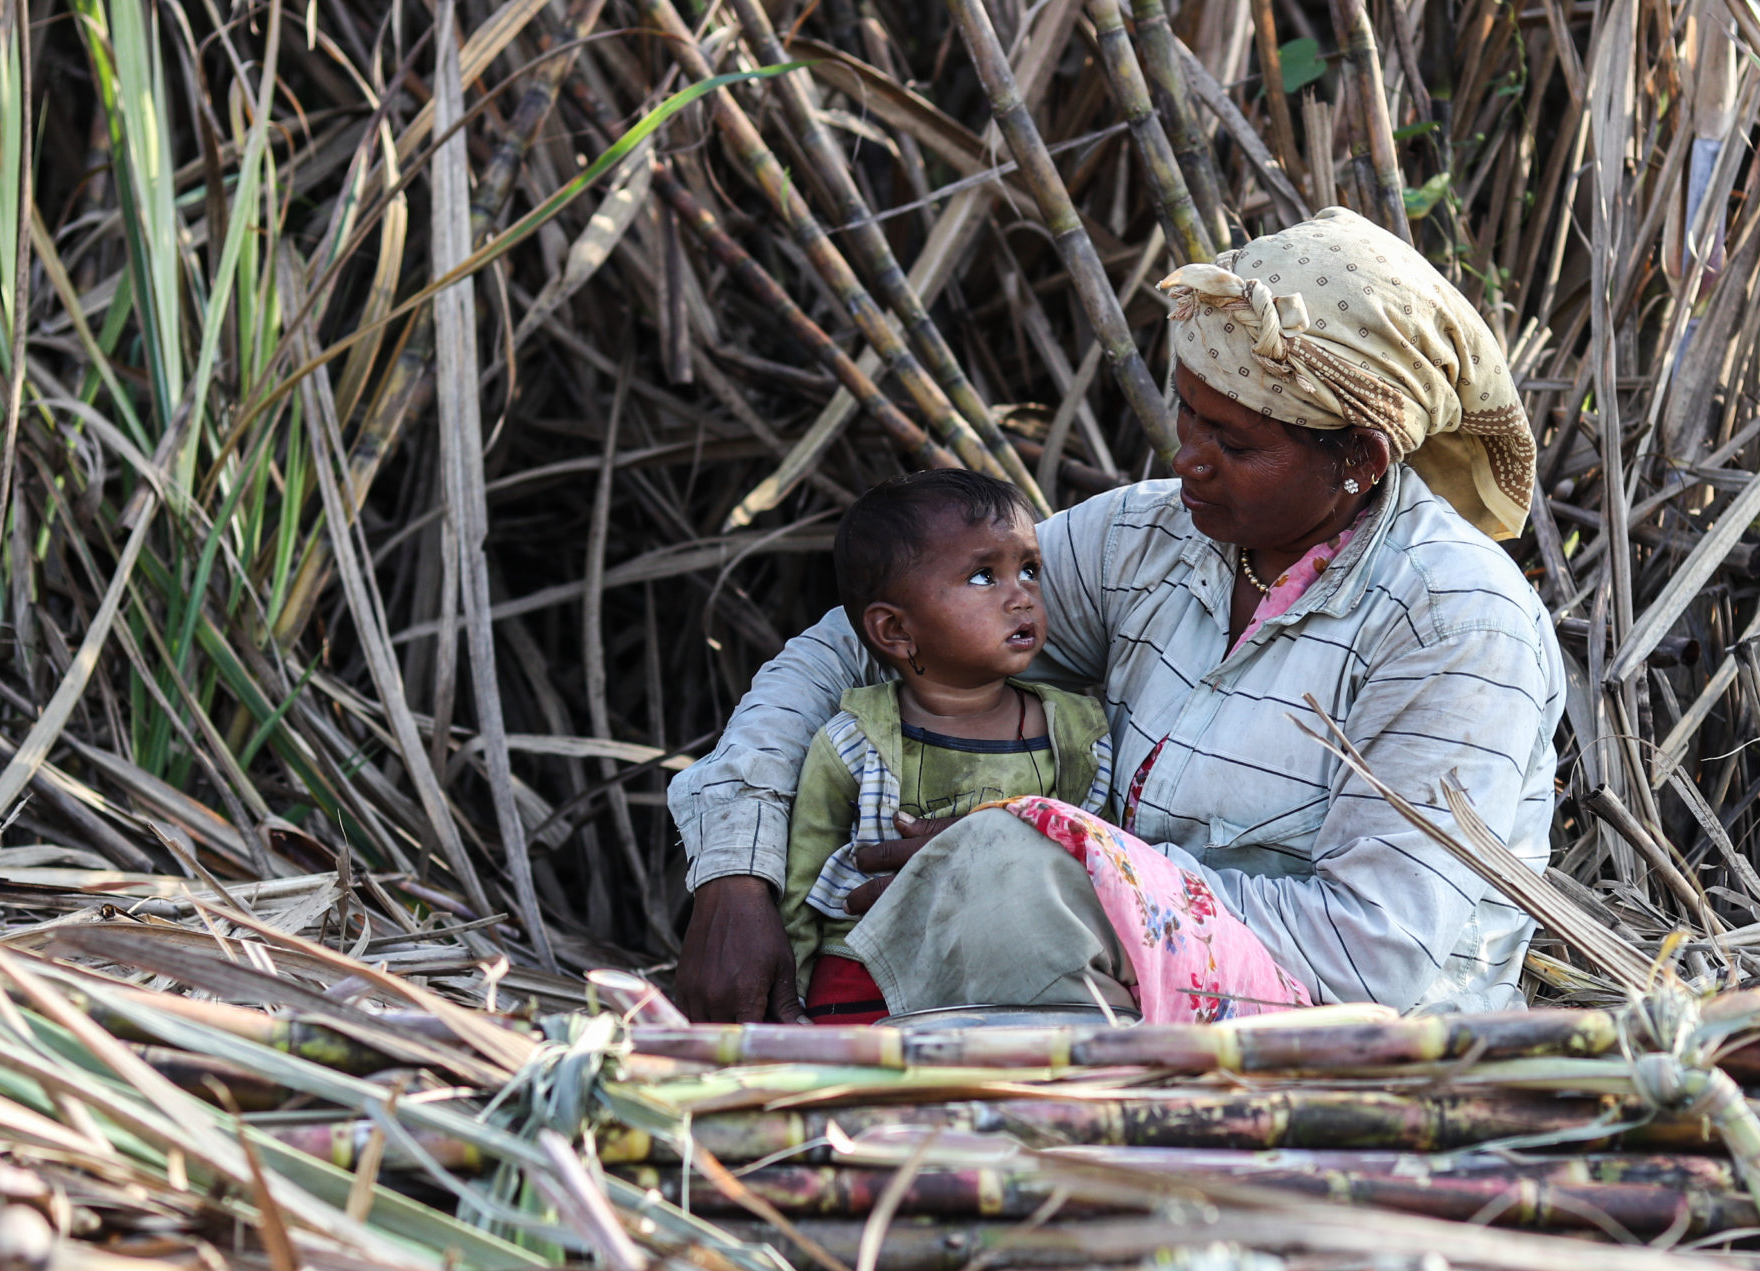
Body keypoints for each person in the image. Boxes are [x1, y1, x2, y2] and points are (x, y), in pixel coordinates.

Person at [668, 207, 1566, 1024]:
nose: (1188, 459)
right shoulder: (1154, 540)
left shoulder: (1456, 623)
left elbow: (1373, 957)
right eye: (1187, 411)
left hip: (1348, 1037)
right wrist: (735, 873)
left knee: (1010, 877)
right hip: (1124, 977)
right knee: (880, 788)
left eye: (1235, 443)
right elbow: (853, 651)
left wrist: (1078, 861)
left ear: (1361, 460)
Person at [782, 470, 1114, 1023]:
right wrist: (787, 1007)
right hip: (864, 981)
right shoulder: (856, 744)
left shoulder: (1078, 737)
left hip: (1019, 986)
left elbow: (1104, 870)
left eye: (1028, 570)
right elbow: (800, 891)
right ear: (895, 631)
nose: (1021, 598)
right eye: (984, 577)